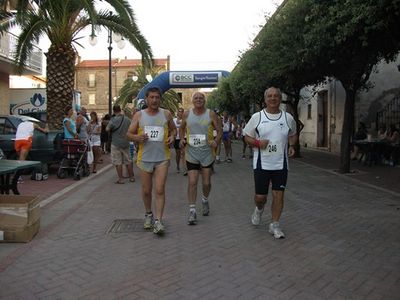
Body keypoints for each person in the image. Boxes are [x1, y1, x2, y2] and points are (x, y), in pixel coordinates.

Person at [244, 87, 297, 239]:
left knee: (279, 195)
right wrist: (257, 143)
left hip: (281, 165)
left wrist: (292, 146)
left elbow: (293, 134)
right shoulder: (257, 117)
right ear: (265, 99)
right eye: (270, 96)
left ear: (280, 99)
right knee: (261, 197)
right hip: (262, 164)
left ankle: (274, 224)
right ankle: (259, 209)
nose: (273, 99)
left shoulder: (288, 118)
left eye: (276, 96)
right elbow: (247, 136)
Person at [126, 87, 176, 235]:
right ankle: (148, 214)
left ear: (160, 99)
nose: (154, 100)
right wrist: (137, 137)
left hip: (162, 158)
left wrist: (172, 137)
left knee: (159, 189)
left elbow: (173, 130)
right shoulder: (139, 116)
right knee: (147, 190)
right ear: (146, 99)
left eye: (157, 97)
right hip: (145, 158)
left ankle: (159, 221)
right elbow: (128, 134)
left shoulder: (166, 114)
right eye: (152, 97)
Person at [179, 92, 222, 225]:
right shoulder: (187, 114)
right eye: (196, 98)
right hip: (191, 152)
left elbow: (219, 130)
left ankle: (204, 199)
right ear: (192, 101)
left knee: (206, 182)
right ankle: (192, 209)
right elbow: (181, 128)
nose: (198, 100)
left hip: (207, 153)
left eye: (201, 98)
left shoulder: (211, 114)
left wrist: (216, 141)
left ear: (204, 100)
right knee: (192, 181)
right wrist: (181, 139)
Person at [106, 105, 135, 184]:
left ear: (114, 111)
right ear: (120, 110)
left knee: (118, 162)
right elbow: (132, 128)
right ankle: (131, 177)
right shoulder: (127, 119)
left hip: (116, 143)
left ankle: (121, 179)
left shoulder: (113, 120)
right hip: (126, 142)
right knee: (128, 160)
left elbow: (107, 129)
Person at [173, 108, 185, 173]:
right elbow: (172, 129)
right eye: (179, 111)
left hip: (183, 138)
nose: (181, 113)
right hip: (177, 139)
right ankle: (178, 165)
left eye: (182, 112)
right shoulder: (174, 120)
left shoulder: (185, 120)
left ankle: (185, 168)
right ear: (177, 113)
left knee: (184, 153)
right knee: (178, 154)